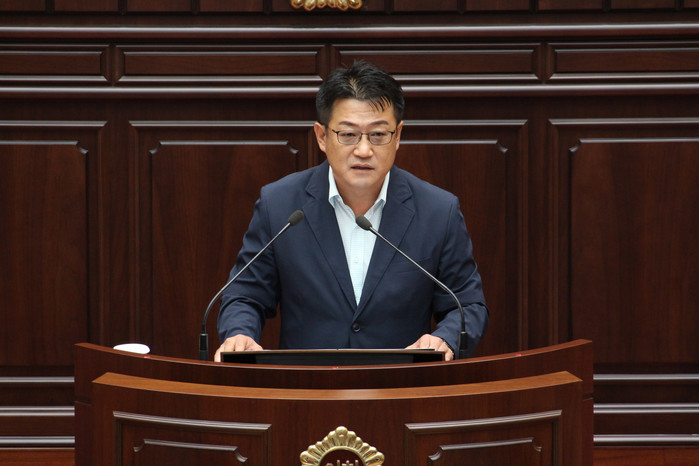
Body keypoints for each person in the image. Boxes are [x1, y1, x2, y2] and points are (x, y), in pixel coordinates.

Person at [215, 60, 488, 362]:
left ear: (398, 136)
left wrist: (444, 338)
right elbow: (245, 295)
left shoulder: (438, 211)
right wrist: (239, 334)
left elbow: (468, 305)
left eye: (378, 135)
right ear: (322, 136)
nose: (363, 150)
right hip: (307, 384)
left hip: (402, 384)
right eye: (348, 135)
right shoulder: (280, 205)